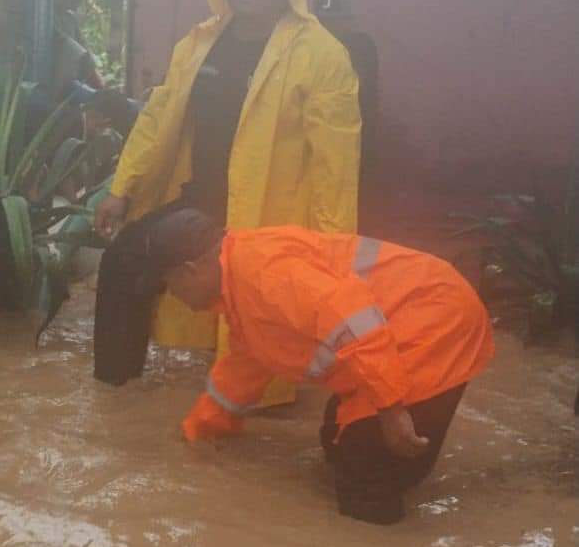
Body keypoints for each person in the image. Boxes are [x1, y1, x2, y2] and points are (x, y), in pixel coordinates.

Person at [93, 0, 362, 395]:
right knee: (125, 260)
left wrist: (331, 251)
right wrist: (121, 188)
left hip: (271, 225)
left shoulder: (322, 55)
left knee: (262, 337)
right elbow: (157, 117)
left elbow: (335, 165)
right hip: (203, 207)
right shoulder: (200, 44)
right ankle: (115, 392)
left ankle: (245, 404)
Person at [142, 208, 495, 524]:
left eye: (170, 286)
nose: (174, 297)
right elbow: (242, 372)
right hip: (412, 322)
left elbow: (354, 321)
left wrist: (391, 409)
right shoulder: (241, 288)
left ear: (189, 271)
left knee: (365, 477)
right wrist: (196, 433)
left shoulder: (261, 271)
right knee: (334, 441)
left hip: (434, 322)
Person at [314, 0, 380, 222]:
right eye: (323, 22)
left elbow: (360, 87)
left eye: (335, 20)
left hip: (358, 133)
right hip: (318, 134)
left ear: (348, 21)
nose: (329, 27)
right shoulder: (305, 48)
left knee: (358, 200)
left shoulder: (361, 45)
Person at [52, 0, 104, 97]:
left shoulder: (69, 20)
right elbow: (83, 60)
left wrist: (103, 93)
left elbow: (87, 61)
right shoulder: (48, 18)